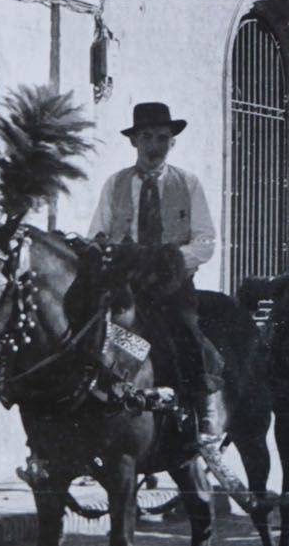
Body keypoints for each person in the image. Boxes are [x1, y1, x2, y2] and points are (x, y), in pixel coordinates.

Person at [89, 101, 224, 444]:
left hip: (171, 283)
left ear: (172, 142)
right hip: (126, 283)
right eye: (147, 137)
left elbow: (206, 241)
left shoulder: (188, 183)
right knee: (91, 327)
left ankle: (205, 404)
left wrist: (171, 259)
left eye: (162, 138)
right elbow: (97, 234)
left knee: (186, 327)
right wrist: (106, 253)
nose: (154, 146)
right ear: (134, 141)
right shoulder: (115, 184)